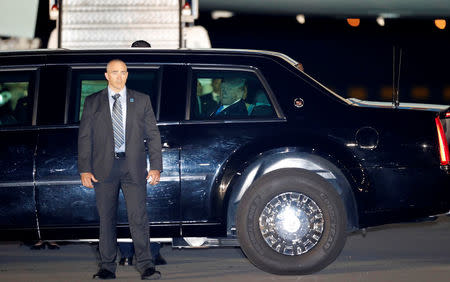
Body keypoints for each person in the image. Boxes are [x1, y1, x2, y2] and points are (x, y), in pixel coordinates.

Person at [78, 59, 162, 280]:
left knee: (139, 218)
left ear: (127, 74)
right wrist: (84, 169)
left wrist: (156, 167)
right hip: (104, 168)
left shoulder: (141, 100)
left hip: (133, 166)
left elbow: (153, 135)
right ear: (106, 75)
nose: (119, 76)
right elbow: (85, 137)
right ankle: (107, 267)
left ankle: (146, 266)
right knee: (106, 219)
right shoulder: (92, 102)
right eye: (114, 72)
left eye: (123, 72)